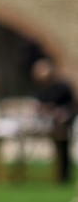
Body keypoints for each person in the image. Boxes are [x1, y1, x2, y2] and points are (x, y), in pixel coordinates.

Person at [31, 58, 74, 186]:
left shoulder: (63, 87)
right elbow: (40, 105)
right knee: (56, 149)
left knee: (64, 148)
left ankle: (64, 175)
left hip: (63, 122)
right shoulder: (41, 89)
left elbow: (71, 105)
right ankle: (58, 173)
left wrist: (62, 112)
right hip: (48, 122)